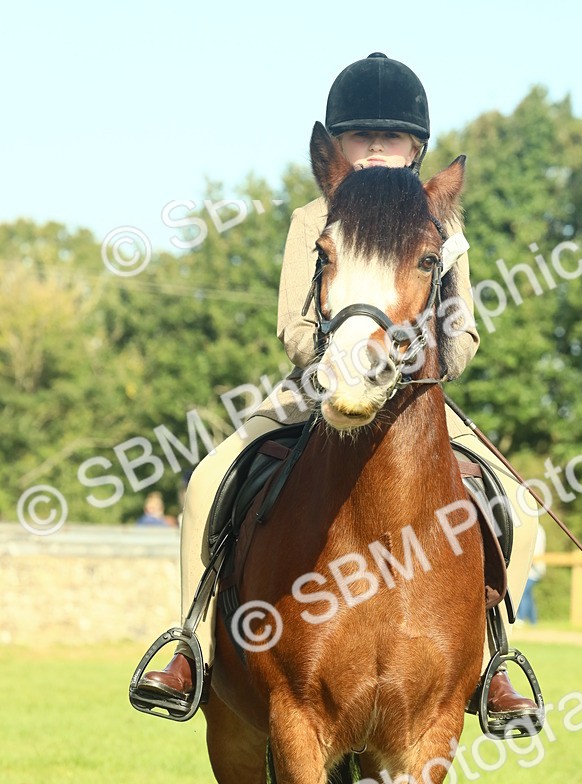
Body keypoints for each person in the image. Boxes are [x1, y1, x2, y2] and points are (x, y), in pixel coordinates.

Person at [136, 52, 539, 721]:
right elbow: (293, 325)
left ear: (416, 149)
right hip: (318, 390)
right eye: (362, 137)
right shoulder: (311, 217)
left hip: (416, 400)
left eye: (392, 137)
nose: (378, 146)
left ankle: (494, 661)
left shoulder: (446, 226)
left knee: (517, 509)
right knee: (207, 479)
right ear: (339, 150)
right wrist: (337, 360)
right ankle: (189, 645)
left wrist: (410, 359)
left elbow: (464, 338)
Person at [518, 525, 546, 623]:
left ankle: (520, 618)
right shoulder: (538, 529)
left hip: (533, 569)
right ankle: (533, 621)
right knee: (528, 595)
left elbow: (535, 550)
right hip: (534, 568)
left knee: (522, 593)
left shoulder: (535, 529)